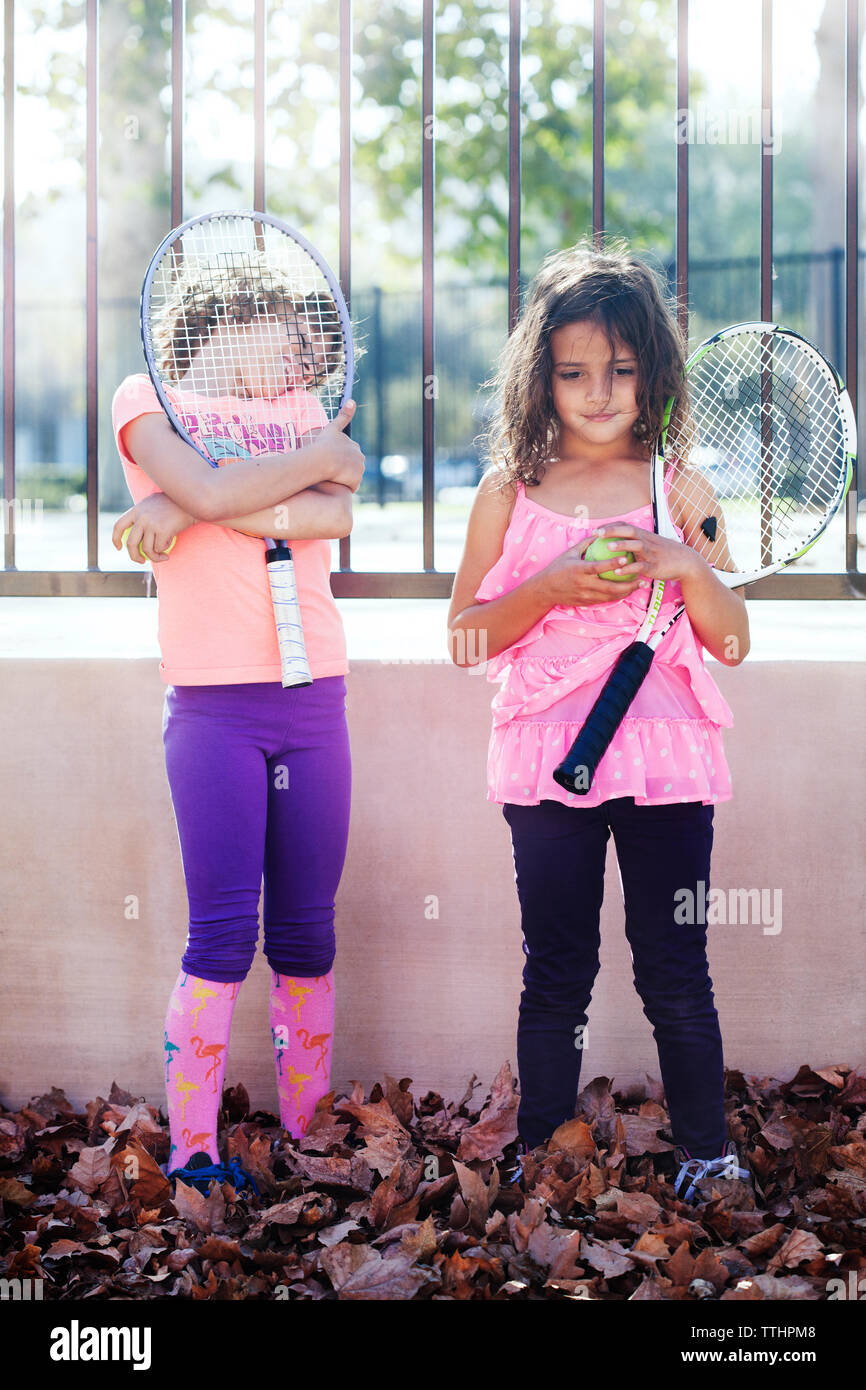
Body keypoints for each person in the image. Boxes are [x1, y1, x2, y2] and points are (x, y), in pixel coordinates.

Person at [447, 238, 752, 1207]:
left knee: (674, 965)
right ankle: (542, 1152)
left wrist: (684, 564)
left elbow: (732, 638)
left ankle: (705, 1153)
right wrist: (545, 586)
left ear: (651, 373)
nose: (595, 390)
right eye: (572, 370)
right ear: (540, 374)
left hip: (664, 762)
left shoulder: (681, 492)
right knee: (557, 968)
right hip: (546, 765)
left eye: (619, 370)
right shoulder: (508, 492)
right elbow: (464, 636)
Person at [111, 264, 364, 1196]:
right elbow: (306, 488)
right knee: (221, 933)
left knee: (306, 932)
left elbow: (346, 497)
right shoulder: (146, 397)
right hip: (215, 710)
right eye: (293, 339)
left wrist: (190, 503)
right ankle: (194, 1153)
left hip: (313, 699)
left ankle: (308, 1137)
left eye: (309, 351)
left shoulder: (302, 406)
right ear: (234, 319)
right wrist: (216, 492)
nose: (304, 362)